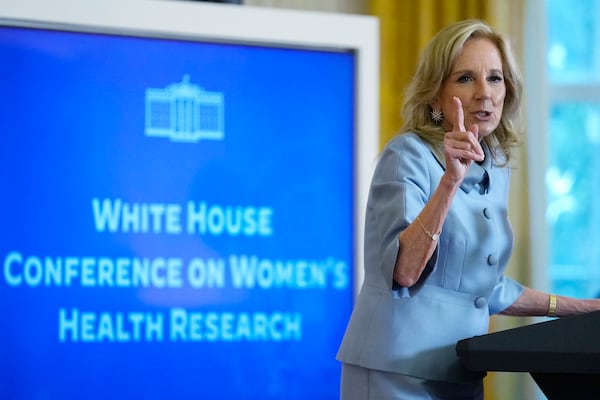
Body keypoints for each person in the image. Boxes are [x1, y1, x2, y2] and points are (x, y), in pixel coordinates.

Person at [336, 19, 600, 400]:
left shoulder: (494, 164)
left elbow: (484, 288)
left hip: (460, 369)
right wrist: (449, 183)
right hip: (394, 370)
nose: (484, 93)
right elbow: (405, 271)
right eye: (465, 78)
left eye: (495, 78)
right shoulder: (407, 154)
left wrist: (585, 309)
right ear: (435, 96)